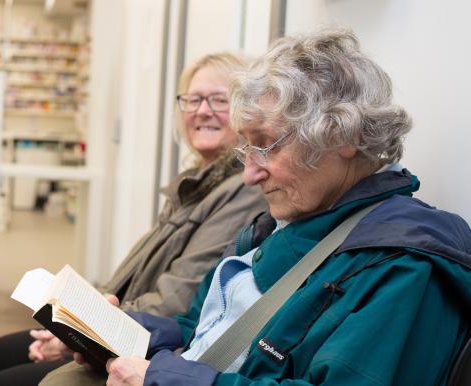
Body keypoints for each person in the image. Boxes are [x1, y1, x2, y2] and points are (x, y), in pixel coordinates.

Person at [41, 27, 471, 386]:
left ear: (345, 136)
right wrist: (128, 333)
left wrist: (167, 378)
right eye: (247, 147)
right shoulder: (290, 222)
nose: (250, 173)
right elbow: (205, 330)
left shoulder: (404, 267)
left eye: (267, 145)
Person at [0, 53, 269, 385]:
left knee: (4, 373)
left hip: (148, 348)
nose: (203, 110)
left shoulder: (242, 189)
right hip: (125, 328)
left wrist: (80, 333)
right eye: (193, 100)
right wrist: (75, 325)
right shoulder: (197, 181)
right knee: (0, 353)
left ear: (244, 111)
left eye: (220, 100)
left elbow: (176, 300)